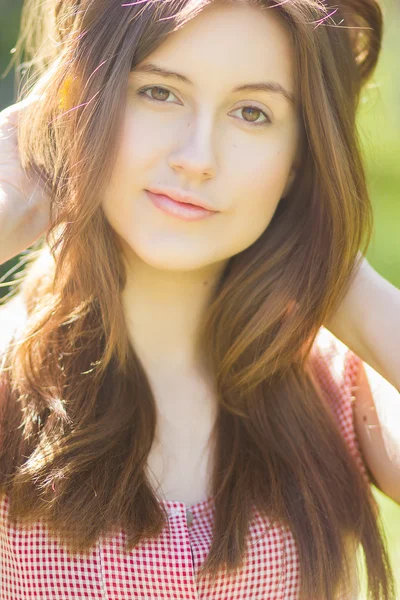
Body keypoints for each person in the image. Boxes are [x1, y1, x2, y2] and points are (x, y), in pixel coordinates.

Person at [0, 0, 399, 598]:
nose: (197, 158)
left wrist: (335, 268)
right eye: (160, 93)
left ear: (298, 163)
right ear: (82, 103)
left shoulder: (338, 391)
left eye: (252, 113)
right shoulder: (12, 379)